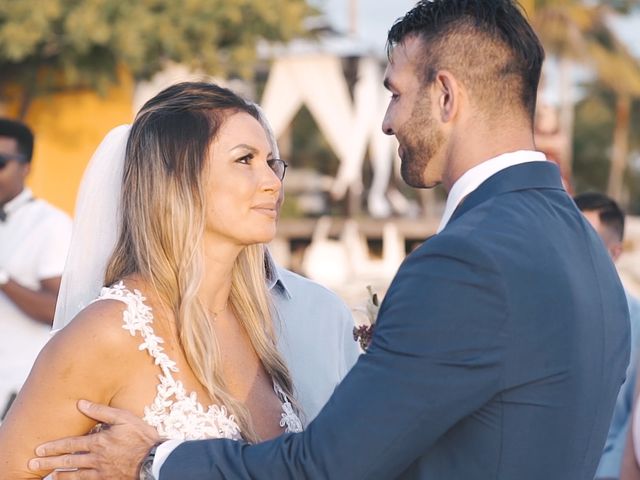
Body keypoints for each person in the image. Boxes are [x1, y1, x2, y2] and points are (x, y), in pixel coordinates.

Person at [29, 1, 630, 479]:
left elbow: (327, 468)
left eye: (395, 92)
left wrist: (152, 461)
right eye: (246, 160)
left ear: (446, 96)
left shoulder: (467, 261)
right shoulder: (583, 245)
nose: (387, 120)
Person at [0, 82, 358, 479]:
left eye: (272, 163)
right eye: (245, 160)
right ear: (177, 179)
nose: (273, 182)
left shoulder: (263, 323)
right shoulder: (110, 332)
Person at [0, 118, 72, 420]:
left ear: (26, 167)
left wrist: (3, 279)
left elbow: (60, 309)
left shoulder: (50, 225)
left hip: (18, 388)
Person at [574, 192, 640, 480]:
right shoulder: (536, 312)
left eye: (585, 242)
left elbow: (631, 429)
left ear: (615, 252)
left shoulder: (637, 324)